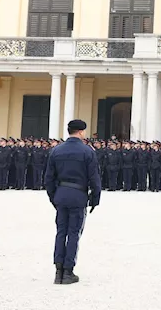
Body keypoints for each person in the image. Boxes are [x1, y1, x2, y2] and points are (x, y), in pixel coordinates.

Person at [44, 119, 101, 286]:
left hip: (61, 195)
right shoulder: (87, 151)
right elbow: (94, 179)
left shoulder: (56, 150)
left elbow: (48, 178)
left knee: (61, 232)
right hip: (78, 196)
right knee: (74, 233)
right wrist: (95, 199)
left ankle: (58, 270)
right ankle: (68, 271)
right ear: (81, 132)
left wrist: (54, 197)